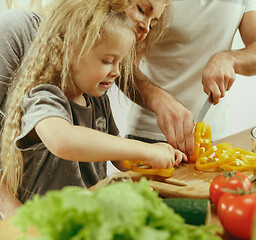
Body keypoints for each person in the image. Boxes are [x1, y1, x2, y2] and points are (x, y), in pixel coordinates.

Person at [0, 0, 186, 219]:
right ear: (67, 52)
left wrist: (154, 158)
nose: (117, 72)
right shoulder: (43, 97)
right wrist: (143, 149)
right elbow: (63, 140)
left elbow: (118, 157)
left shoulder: (98, 100)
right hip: (45, 224)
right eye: (108, 60)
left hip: (87, 217)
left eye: (120, 62)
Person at [126, 0, 256, 156]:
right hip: (150, 136)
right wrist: (157, 100)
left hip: (213, 138)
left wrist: (230, 59)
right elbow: (121, 62)